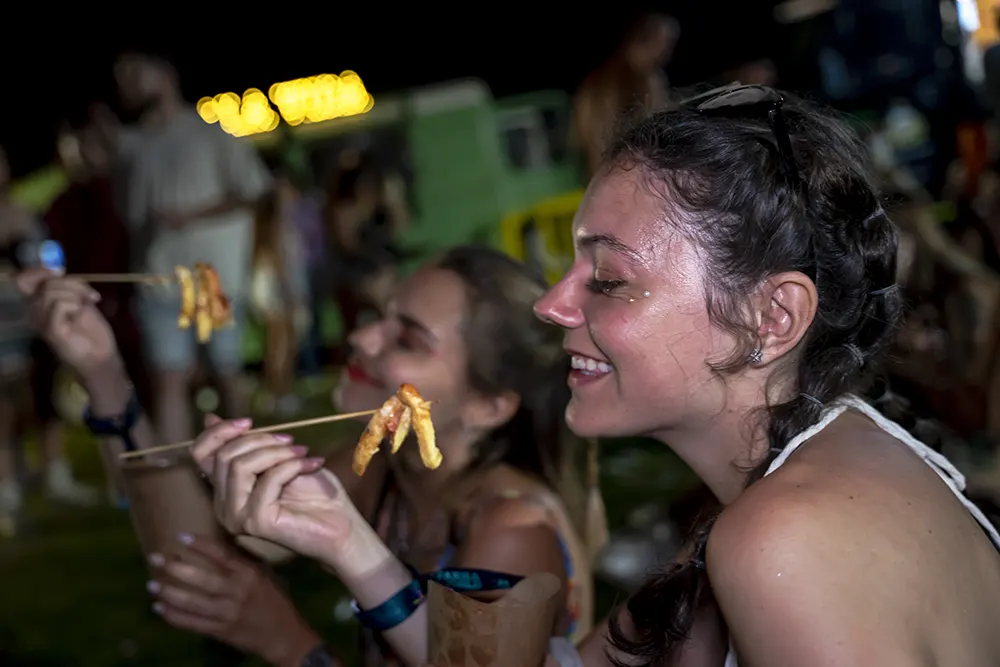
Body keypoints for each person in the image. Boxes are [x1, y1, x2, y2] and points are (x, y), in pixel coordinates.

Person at [234, 86, 1000, 667]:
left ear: (771, 317)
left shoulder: (782, 538)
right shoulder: (815, 473)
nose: (551, 302)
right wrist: (345, 538)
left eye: (607, 278)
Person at [17, 245, 597, 667]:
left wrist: (291, 645)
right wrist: (104, 375)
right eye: (380, 319)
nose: (362, 340)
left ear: (489, 406)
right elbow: (192, 566)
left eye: (407, 339)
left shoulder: (511, 528)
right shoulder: (377, 471)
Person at [104, 51, 272, 443]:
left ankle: (249, 456)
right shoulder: (131, 147)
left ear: (165, 74)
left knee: (226, 372)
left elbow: (253, 191)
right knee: (169, 379)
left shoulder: (210, 132)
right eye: (121, 77)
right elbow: (126, 214)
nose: (126, 84)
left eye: (134, 72)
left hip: (210, 278)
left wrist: (191, 215)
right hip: (159, 278)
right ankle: (175, 474)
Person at [0, 146, 97, 536]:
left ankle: (56, 473)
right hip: (1, 330)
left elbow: (48, 260)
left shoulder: (25, 212)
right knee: (5, 410)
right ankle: (8, 486)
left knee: (44, 399)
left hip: (32, 322)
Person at [572, 13, 678, 180]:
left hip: (605, 175)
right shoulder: (646, 79)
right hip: (626, 172)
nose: (668, 53)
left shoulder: (596, 82)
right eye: (665, 44)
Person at [326, 152, 409, 362]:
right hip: (357, 273)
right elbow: (347, 245)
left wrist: (393, 198)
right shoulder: (344, 209)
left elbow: (401, 227)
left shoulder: (381, 206)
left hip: (382, 270)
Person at [249, 187, 308, 416]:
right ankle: (280, 393)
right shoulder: (278, 224)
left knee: (277, 343)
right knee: (282, 343)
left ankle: (277, 392)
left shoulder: (266, 222)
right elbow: (280, 259)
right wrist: (291, 291)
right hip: (276, 286)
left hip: (269, 284)